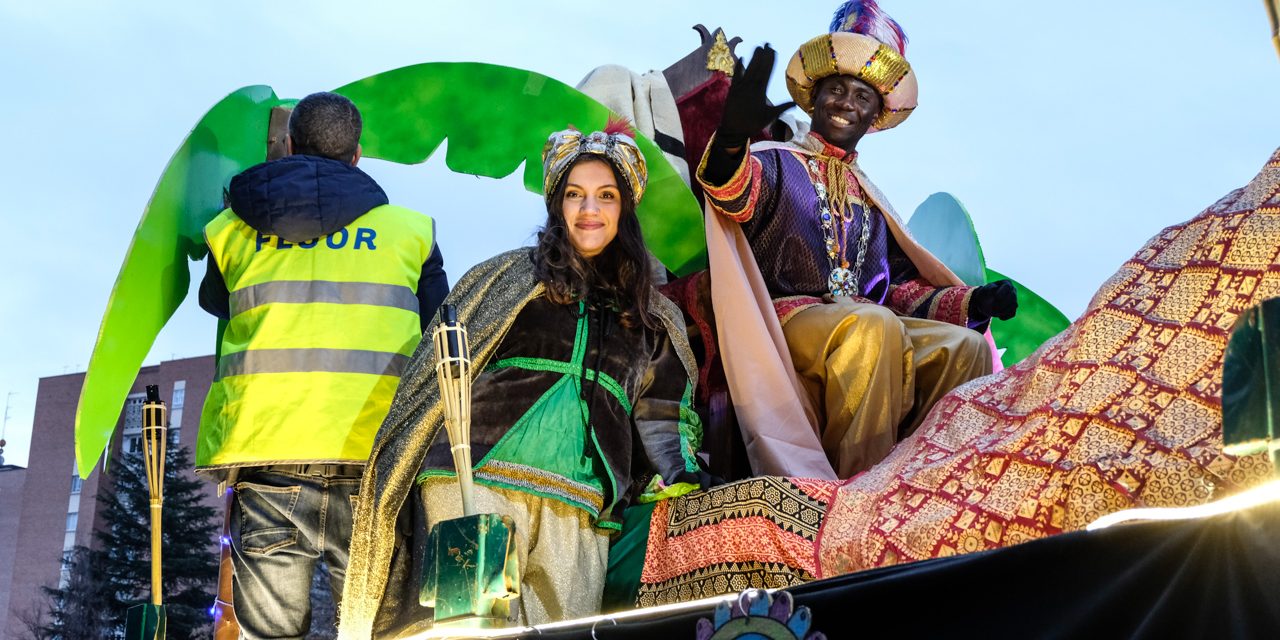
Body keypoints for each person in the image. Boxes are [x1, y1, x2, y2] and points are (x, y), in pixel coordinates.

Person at [340, 123, 704, 637]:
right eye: (574, 195)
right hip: (475, 482)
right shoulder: (509, 280)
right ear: (557, 205)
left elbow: (662, 415)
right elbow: (439, 374)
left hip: (579, 503)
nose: (589, 210)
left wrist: (679, 470)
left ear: (625, 210)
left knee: (564, 632)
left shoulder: (651, 318)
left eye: (606, 196)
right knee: (471, 630)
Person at [697, 0, 1017, 479]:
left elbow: (900, 290)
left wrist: (973, 302)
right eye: (836, 89)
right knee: (872, 327)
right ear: (815, 98)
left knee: (964, 349)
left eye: (862, 97)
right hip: (788, 322)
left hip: (864, 322)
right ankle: (859, 493)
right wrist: (730, 139)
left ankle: (925, 482)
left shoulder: (870, 197)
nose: (847, 102)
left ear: (875, 116)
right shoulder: (777, 161)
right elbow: (731, 194)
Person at [195, 91, 448, 639]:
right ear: (357, 154)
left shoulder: (232, 229)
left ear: (288, 145)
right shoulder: (411, 234)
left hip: (268, 461)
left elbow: (216, 302)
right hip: (373, 465)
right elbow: (438, 332)